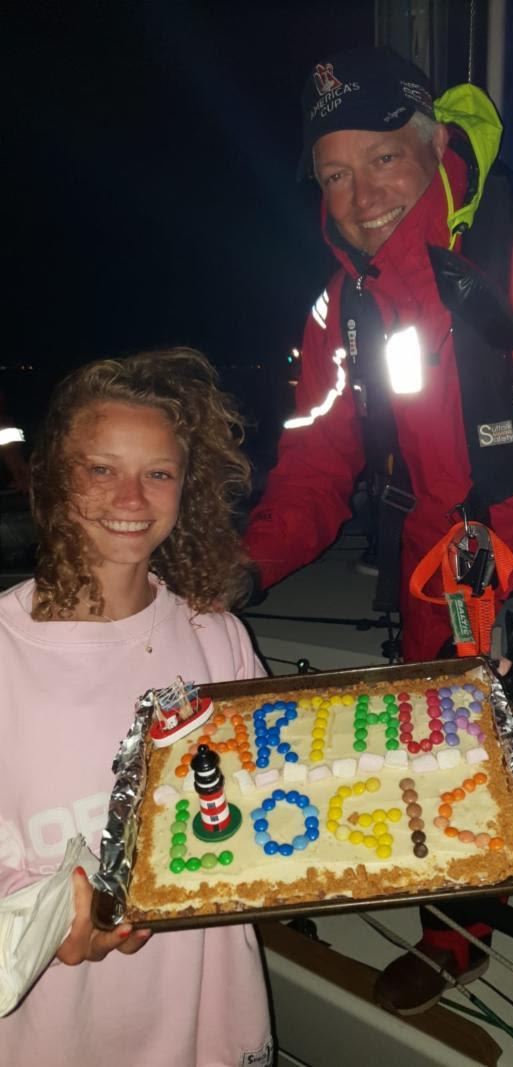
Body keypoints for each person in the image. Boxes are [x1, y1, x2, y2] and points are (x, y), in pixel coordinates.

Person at [244, 46, 513, 1065]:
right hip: (442, 598)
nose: (359, 194)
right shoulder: (337, 308)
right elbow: (313, 464)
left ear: (433, 149)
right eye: (334, 175)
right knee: (437, 792)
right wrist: (244, 565)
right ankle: (453, 938)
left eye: (382, 158)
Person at [0, 348, 273, 1066]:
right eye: (102, 470)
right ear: (54, 476)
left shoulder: (218, 637)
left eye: (158, 473)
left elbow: (273, 809)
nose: (132, 499)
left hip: (208, 1029)